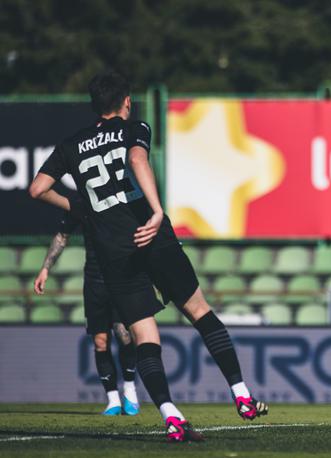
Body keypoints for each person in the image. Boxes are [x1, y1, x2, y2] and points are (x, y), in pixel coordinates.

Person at [29, 71, 267, 442]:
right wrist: (156, 212)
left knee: (144, 336)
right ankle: (242, 395)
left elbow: (37, 188)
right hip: (151, 236)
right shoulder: (132, 127)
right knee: (200, 312)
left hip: (113, 249)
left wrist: (80, 207)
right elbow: (139, 161)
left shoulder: (72, 144)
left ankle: (171, 416)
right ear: (125, 101)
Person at [33, 207, 140, 416]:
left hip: (122, 276)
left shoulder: (119, 199)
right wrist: (45, 268)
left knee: (124, 335)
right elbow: (62, 236)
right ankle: (112, 400)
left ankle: (129, 389)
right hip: (94, 280)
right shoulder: (80, 204)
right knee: (100, 342)